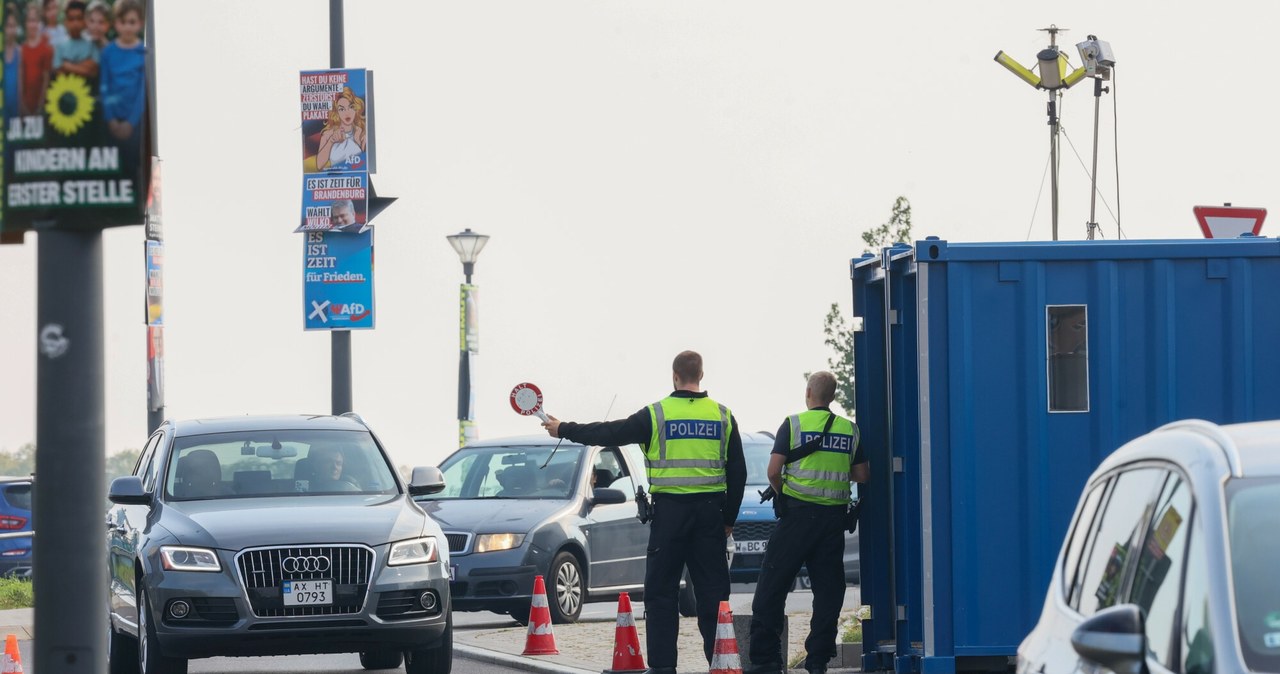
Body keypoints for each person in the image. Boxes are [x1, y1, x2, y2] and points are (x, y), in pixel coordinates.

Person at [542, 350, 746, 674]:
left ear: (675, 376)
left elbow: (608, 433)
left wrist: (563, 427)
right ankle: (721, 664)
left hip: (670, 516)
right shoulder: (722, 416)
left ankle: (663, 668)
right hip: (710, 514)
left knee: (662, 594)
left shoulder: (657, 414)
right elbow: (739, 472)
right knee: (713, 597)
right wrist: (728, 520)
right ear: (701, 376)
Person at [745, 371, 868, 674]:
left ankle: (766, 659)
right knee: (828, 592)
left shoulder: (793, 424)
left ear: (809, 392)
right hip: (831, 523)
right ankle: (817, 660)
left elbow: (774, 471)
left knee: (772, 586)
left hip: (797, 519)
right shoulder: (849, 429)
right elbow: (863, 475)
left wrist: (781, 494)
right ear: (833, 396)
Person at [99, 0, 145, 150]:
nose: (127, 27)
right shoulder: (108, 52)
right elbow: (104, 86)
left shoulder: (144, 52)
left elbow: (143, 92)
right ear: (115, 23)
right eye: (122, 21)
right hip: (111, 122)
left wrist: (131, 122)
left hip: (136, 122)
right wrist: (111, 119)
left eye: (132, 22)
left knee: (134, 167)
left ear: (141, 23)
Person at [316, 86, 366, 170]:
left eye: (351, 107)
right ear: (336, 112)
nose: (347, 113)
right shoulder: (328, 134)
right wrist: (331, 141)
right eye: (342, 109)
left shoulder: (361, 131)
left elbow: (366, 165)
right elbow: (319, 165)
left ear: (356, 108)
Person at [19, 3, 52, 117]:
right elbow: (20, 79)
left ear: (39, 23)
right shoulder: (21, 49)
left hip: (40, 103)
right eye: (29, 21)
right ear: (25, 24)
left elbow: (46, 78)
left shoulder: (46, 48)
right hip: (24, 104)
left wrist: (40, 105)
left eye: (35, 21)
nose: (32, 25)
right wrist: (22, 105)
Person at [53, 1, 98, 81]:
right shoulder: (60, 46)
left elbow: (93, 71)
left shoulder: (91, 44)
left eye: (79, 18)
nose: (75, 23)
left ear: (85, 21)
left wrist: (67, 66)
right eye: (71, 19)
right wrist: (83, 66)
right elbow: (59, 73)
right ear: (65, 22)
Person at [3, 5, 21, 124]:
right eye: (8, 26)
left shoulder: (21, 52)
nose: (11, 30)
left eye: (14, 26)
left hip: (18, 116)